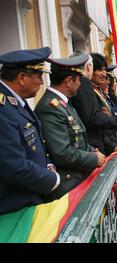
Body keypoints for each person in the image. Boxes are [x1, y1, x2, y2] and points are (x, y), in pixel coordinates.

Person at [35, 54, 106, 200]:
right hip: (68, 188)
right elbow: (62, 153)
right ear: (68, 81)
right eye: (79, 80)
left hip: (78, 181)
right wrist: (93, 158)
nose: (80, 85)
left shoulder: (63, 104)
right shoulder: (50, 107)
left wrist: (91, 150)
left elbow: (76, 139)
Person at [0, 47, 61, 215]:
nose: (42, 82)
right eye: (39, 76)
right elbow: (15, 167)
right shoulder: (3, 108)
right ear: (21, 78)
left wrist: (47, 165)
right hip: (13, 207)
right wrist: (53, 179)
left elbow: (34, 142)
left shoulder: (14, 101)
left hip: (29, 195)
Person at [70, 52, 117, 155]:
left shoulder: (94, 89)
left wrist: (115, 143)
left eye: (105, 70)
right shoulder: (85, 85)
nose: (104, 74)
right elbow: (94, 119)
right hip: (95, 151)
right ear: (89, 67)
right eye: (100, 69)